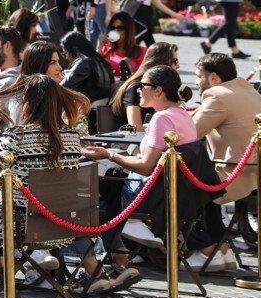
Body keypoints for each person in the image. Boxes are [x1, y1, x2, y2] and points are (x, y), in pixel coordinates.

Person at [0, 75, 106, 298]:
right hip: (60, 224)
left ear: (29, 104)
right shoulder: (72, 137)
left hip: (21, 226)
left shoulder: (18, 135)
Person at [82, 66, 236, 272]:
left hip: (154, 197)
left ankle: (115, 256)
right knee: (112, 181)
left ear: (158, 91)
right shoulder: (181, 114)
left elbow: (147, 167)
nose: (137, 90)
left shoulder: (161, 119)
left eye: (142, 85)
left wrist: (109, 154)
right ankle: (121, 251)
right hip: (178, 192)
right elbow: (158, 160)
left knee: (103, 191)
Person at [191, 54, 261, 206]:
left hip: (239, 176)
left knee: (176, 182)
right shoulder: (245, 87)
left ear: (213, 77)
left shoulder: (217, 95)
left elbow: (190, 133)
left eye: (199, 77)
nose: (196, 82)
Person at [109, 42, 178, 131]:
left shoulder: (161, 86)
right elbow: (135, 128)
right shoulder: (137, 88)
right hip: (127, 141)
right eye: (175, 61)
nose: (178, 66)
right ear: (163, 61)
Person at [60, 31, 115, 105]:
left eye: (65, 53)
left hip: (91, 107)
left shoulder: (83, 62)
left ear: (73, 49)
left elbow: (63, 86)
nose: (66, 57)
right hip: (106, 103)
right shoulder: (99, 59)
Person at [98, 10, 146, 77]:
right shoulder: (106, 48)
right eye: (113, 28)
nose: (115, 31)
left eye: (120, 28)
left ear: (128, 30)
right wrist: (100, 46)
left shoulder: (141, 51)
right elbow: (95, 67)